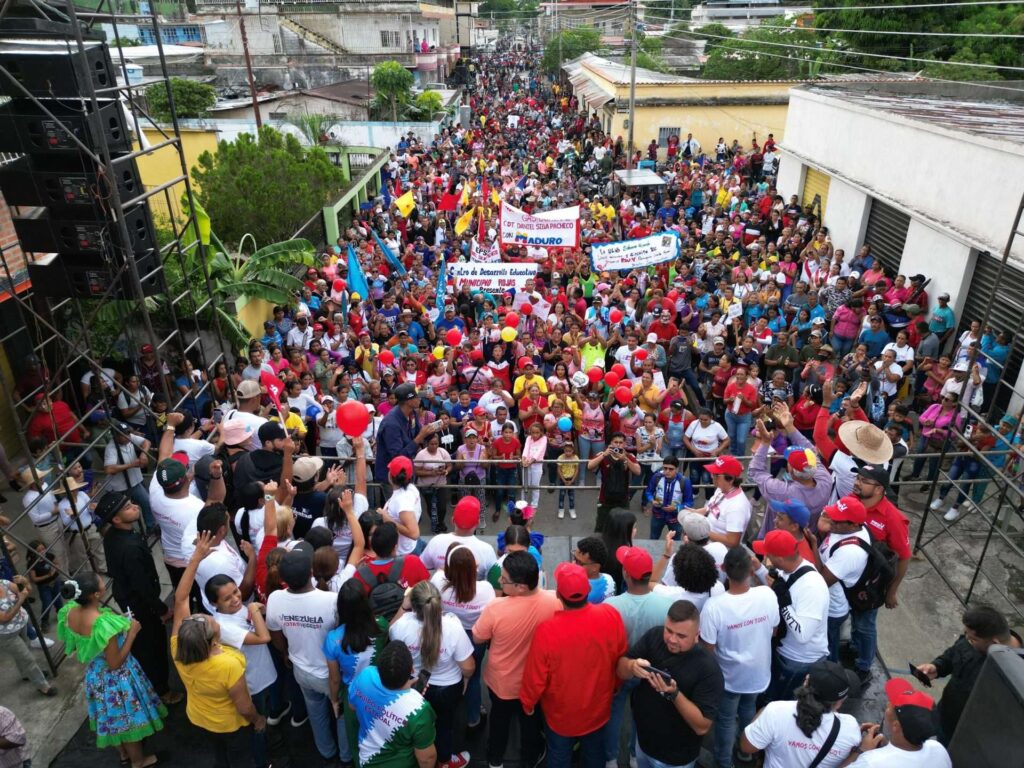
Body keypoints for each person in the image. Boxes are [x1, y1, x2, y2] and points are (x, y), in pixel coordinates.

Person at [520, 563, 628, 768]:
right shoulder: (610, 616)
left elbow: (535, 677)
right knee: (595, 754)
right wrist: (616, 685)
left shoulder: (547, 631)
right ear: (587, 590)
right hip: (598, 708)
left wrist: (528, 702)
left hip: (560, 716)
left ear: (559, 595)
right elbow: (620, 658)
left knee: (559, 756)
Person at [172, 534, 265, 768]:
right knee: (241, 759)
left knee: (220, 757)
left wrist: (196, 558)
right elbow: (244, 706)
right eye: (206, 620)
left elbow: (180, 598)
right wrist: (257, 720)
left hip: (201, 718)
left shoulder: (178, 649)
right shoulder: (227, 665)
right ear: (213, 639)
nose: (206, 616)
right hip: (231, 725)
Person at [57, 572, 165, 768]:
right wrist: (131, 633)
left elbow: (76, 645)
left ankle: (123, 754)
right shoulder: (102, 624)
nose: (103, 582)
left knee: (112, 719)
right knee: (127, 722)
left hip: (95, 676)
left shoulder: (70, 612)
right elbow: (114, 662)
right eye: (100, 582)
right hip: (117, 680)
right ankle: (139, 761)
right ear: (96, 594)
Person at [473, 551, 560, 768]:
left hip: (501, 681)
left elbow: (478, 636)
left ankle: (495, 759)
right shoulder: (555, 601)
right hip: (536, 682)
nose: (500, 582)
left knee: (499, 720)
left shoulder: (495, 608)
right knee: (530, 722)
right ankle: (530, 758)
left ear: (521, 586)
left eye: (504, 579)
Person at [616, 600, 723, 768]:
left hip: (675, 759)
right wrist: (631, 666)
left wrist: (673, 694)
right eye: (669, 630)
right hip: (642, 745)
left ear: (697, 635)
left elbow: (702, 726)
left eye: (681, 636)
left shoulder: (708, 669)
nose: (672, 639)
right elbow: (621, 669)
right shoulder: (654, 636)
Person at [97, 492, 179, 704]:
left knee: (145, 646)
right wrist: (160, 610)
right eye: (127, 507)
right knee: (153, 648)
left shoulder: (114, 536)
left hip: (130, 599)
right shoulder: (129, 548)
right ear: (116, 519)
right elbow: (142, 587)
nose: (134, 507)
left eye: (131, 503)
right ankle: (162, 691)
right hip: (140, 605)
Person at [702, 547, 780, 768]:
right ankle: (746, 751)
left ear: (724, 569)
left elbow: (708, 648)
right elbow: (774, 630)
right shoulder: (766, 594)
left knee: (726, 720)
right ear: (751, 570)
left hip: (729, 678)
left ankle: (724, 762)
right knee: (749, 710)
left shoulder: (714, 606)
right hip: (759, 674)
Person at [266, 546, 345, 765]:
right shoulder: (331, 600)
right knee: (341, 713)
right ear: (311, 571)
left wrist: (285, 654)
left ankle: (326, 752)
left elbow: (276, 637)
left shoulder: (274, 599)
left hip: (301, 669)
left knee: (316, 712)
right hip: (330, 674)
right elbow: (341, 636)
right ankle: (346, 756)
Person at [389, 581, 475, 768]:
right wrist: (467, 678)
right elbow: (468, 666)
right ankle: (444, 761)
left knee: (419, 724)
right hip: (448, 689)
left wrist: (404, 605)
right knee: (445, 726)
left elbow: (391, 630)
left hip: (416, 686)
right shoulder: (452, 626)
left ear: (414, 604)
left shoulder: (402, 626)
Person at [604, 546, 675, 767]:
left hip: (618, 671)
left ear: (626, 574)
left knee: (614, 714)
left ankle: (611, 759)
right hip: (650, 673)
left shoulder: (610, 606)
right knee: (641, 715)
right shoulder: (666, 606)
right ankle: (635, 756)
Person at [914, 604, 1021, 744]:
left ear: (995, 644)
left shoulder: (1016, 675)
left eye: (972, 639)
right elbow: (953, 654)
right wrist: (937, 667)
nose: (967, 640)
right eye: (966, 634)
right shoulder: (975, 637)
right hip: (943, 716)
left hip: (965, 738)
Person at [753, 530, 830, 704]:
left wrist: (785, 604)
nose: (767, 558)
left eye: (768, 555)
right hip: (785, 653)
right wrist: (759, 570)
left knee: (777, 704)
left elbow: (803, 634)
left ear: (779, 558)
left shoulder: (812, 587)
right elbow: (780, 587)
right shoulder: (790, 569)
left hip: (797, 661)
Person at [740, 660, 863, 767]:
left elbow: (747, 747)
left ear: (805, 682)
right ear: (839, 702)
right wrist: (861, 750)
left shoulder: (776, 712)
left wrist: (762, 712)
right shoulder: (850, 729)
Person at [323, 580, 389, 762]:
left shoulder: (333, 639)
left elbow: (334, 679)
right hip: (380, 693)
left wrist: (334, 700)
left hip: (352, 695)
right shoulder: (381, 625)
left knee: (355, 741)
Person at [347, 640, 437, 768]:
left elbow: (352, 706)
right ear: (411, 670)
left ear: (379, 668)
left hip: (366, 761)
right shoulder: (418, 707)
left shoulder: (366, 675)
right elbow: (426, 759)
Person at [805, 496, 870, 663]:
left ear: (853, 525)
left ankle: (831, 673)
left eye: (837, 519)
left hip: (832, 608)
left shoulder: (849, 552)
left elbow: (821, 581)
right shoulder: (846, 529)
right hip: (830, 601)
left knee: (827, 646)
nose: (831, 520)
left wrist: (813, 545)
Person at [848, 679, 951, 766]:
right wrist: (886, 741)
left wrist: (861, 750)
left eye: (891, 705)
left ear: (896, 726)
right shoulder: (939, 750)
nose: (888, 703)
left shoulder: (871, 762)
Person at [0, 575, 55, 696]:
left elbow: (25, 592)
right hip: (6, 635)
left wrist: (24, 582)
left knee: (22, 652)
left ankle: (26, 674)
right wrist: (20, 600)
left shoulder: (3, 582)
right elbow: (4, 618)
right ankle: (43, 686)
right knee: (27, 659)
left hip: (21, 624)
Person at [418, 496, 497, 579]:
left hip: (442, 590)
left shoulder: (436, 542)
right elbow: (494, 581)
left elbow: (421, 568)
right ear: (477, 523)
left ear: (452, 520)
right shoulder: (487, 551)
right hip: (472, 591)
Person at [691, 455, 750, 548]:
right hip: (705, 544)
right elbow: (710, 508)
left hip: (718, 555)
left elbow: (732, 542)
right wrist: (692, 513)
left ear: (730, 479)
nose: (712, 477)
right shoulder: (721, 489)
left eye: (716, 475)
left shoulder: (737, 507)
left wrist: (702, 531)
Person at [589, 432, 641, 533]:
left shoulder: (629, 456)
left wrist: (625, 458)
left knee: (623, 529)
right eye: (615, 442)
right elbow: (590, 466)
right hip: (605, 499)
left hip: (623, 500)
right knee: (600, 528)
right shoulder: (603, 454)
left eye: (620, 442)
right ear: (611, 443)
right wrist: (604, 455)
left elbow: (638, 471)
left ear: (624, 444)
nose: (618, 445)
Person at [643, 456, 693, 540]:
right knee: (653, 539)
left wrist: (676, 508)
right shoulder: (657, 477)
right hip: (657, 515)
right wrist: (652, 500)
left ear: (677, 469)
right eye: (665, 468)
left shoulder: (684, 481)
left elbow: (689, 502)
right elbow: (648, 492)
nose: (667, 471)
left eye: (671, 469)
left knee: (676, 542)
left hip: (675, 518)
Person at [382, 456, 423, 556]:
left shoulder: (401, 501)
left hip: (404, 552)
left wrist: (388, 520)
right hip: (408, 547)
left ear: (391, 475)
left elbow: (414, 534)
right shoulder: (411, 488)